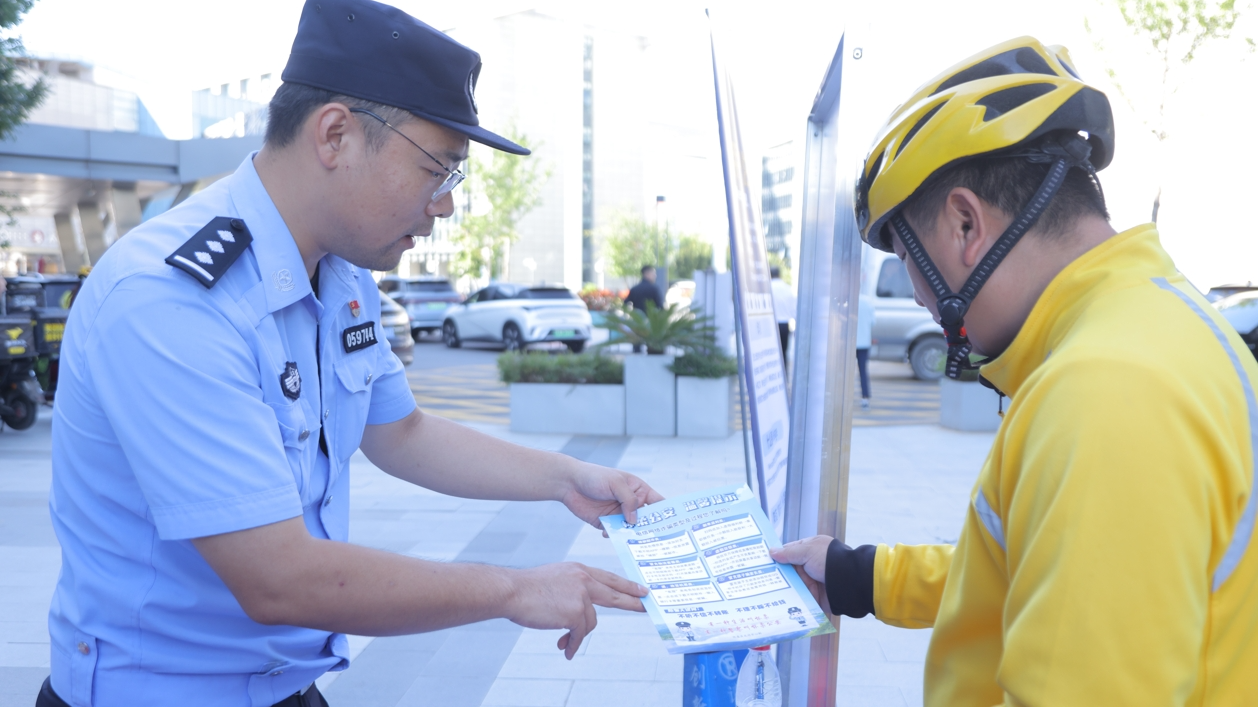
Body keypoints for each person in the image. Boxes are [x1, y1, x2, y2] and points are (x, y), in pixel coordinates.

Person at [42, 2, 659, 706]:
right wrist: (515, 587)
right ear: (335, 134)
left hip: (287, 685)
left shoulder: (339, 271)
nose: (446, 206)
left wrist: (567, 478)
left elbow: (400, 431)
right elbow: (280, 578)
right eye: (439, 169)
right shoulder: (171, 300)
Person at [772, 37, 1258, 705]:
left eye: (908, 260)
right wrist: (858, 575)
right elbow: (1050, 571)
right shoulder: (1163, 328)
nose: (917, 295)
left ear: (965, 223)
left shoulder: (1105, 392)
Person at [770, 265, 796, 362]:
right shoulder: (787, 288)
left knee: (771, 354)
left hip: (770, 325)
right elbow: (793, 309)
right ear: (779, 275)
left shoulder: (768, 288)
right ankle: (784, 375)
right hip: (784, 325)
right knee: (783, 354)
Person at [855, 293, 874, 408]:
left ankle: (843, 397)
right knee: (863, 371)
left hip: (849, 343)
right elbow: (873, 321)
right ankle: (865, 398)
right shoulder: (868, 302)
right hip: (864, 342)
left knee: (845, 372)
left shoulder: (847, 301)